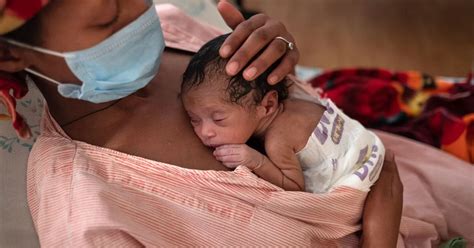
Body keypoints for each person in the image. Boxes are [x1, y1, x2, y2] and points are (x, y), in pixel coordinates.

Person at [0, 0, 403, 246]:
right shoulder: (87, 211)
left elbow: (333, 138)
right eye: (106, 20)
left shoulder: (178, 31)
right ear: (9, 55)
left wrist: (280, 69)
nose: (142, 15)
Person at [181, 33, 385, 194]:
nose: (205, 131)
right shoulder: (295, 99)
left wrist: (256, 160)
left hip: (360, 174)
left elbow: (296, 187)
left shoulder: (278, 141)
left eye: (218, 119)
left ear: (268, 105)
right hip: (372, 145)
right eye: (194, 119)